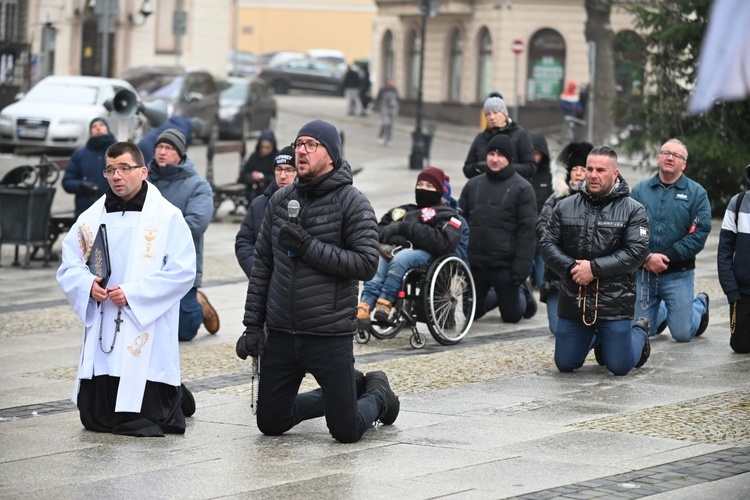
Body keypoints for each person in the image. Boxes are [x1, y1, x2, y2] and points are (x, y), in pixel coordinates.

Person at [235, 119, 400, 443]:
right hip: (281, 332)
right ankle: (349, 386)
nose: (302, 151)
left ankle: (378, 394)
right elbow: (264, 266)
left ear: (331, 154)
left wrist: (309, 247)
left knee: (346, 430)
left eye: (312, 145)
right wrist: (253, 325)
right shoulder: (280, 202)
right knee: (270, 422)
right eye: (299, 144)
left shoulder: (352, 202)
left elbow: (367, 263)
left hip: (328, 333)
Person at [56, 141, 197, 436]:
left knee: (147, 401)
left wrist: (133, 294)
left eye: (124, 168)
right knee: (97, 417)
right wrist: (86, 285)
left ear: (143, 171)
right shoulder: (90, 218)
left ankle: (175, 396)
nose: (117, 176)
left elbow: (182, 272)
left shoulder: (167, 216)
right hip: (105, 317)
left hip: (143, 318)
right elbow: (69, 265)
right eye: (110, 170)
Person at [540, 146, 651, 376]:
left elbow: (636, 252)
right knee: (565, 364)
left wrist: (594, 268)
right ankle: (599, 339)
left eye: (600, 170)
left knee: (619, 367)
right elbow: (547, 244)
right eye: (589, 169)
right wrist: (572, 267)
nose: (592, 174)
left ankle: (639, 331)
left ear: (615, 173)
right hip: (575, 301)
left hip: (613, 302)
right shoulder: (564, 205)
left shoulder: (634, 210)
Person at [357, 167, 463, 323]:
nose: (423, 189)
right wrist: (396, 237)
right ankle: (365, 304)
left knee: (402, 258)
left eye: (429, 186)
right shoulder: (403, 210)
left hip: (427, 255)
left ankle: (385, 302)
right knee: (378, 259)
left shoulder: (448, 215)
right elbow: (378, 230)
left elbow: (443, 242)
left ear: (439, 190)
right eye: (420, 184)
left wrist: (405, 229)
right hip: (394, 251)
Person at [631, 138, 711, 342]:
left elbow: (699, 233)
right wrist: (647, 257)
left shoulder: (697, 193)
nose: (670, 157)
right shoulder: (640, 191)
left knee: (683, 334)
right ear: (658, 158)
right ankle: (666, 308)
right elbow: (629, 228)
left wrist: (666, 257)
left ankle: (699, 304)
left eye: (677, 155)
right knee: (641, 330)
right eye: (666, 153)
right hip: (645, 272)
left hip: (678, 274)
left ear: (683, 164)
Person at [147, 129, 219, 340]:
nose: (162, 152)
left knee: (183, 332)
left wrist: (155, 232)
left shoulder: (198, 185)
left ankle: (200, 302)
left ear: (180, 153)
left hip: (182, 266)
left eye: (169, 148)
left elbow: (196, 224)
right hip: (149, 262)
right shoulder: (145, 182)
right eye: (159, 147)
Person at [459, 134, 537, 323]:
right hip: (476, 264)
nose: (494, 159)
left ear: (510, 158)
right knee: (472, 314)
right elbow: (461, 221)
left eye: (500, 155)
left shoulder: (523, 188)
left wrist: (521, 269)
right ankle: (497, 297)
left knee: (511, 316)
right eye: (491, 154)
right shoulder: (473, 185)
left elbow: (528, 231)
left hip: (505, 266)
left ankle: (523, 293)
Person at [537, 142, 593, 336]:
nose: (578, 173)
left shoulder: (598, 201)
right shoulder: (555, 200)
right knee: (557, 329)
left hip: (589, 273)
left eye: (583, 169)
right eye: (574, 169)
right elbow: (542, 226)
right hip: (557, 274)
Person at [235, 145, 297, 279]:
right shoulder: (259, 204)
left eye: (289, 170)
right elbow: (244, 241)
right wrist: (257, 273)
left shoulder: (309, 203)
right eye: (279, 169)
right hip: (264, 285)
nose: (283, 175)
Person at [463, 94, 536, 180]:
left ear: (505, 114)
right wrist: (480, 167)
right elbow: (467, 169)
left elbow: (530, 168)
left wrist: (503, 169)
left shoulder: (520, 135)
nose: (492, 117)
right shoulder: (481, 138)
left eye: (495, 112)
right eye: (488, 114)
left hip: (512, 187)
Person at [717, 164, 750, 353]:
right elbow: (724, 252)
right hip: (743, 293)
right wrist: (731, 291)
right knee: (740, 346)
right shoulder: (737, 203)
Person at [62, 117, 117, 218]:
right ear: (90, 131)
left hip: (114, 208)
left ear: (108, 129)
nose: (98, 128)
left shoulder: (119, 152)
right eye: (94, 126)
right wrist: (82, 186)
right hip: (86, 209)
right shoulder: (80, 154)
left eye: (101, 125)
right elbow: (67, 182)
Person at [528, 132, 553, 288]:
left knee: (541, 279)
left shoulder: (550, 175)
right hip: (525, 228)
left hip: (543, 229)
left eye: (536, 153)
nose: (533, 157)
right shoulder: (521, 172)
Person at [238, 129, 278, 204]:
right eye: (262, 147)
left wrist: (265, 178)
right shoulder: (255, 156)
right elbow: (243, 175)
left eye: (267, 147)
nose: (264, 150)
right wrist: (252, 176)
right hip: (253, 190)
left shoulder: (276, 157)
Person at [375, 78, 400, 147]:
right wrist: (380, 105)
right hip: (385, 108)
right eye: (390, 81)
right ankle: (381, 136)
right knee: (386, 123)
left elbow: (398, 98)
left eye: (392, 81)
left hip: (393, 108)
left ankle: (389, 139)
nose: (391, 83)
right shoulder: (383, 89)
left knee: (391, 125)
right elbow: (378, 98)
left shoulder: (394, 89)